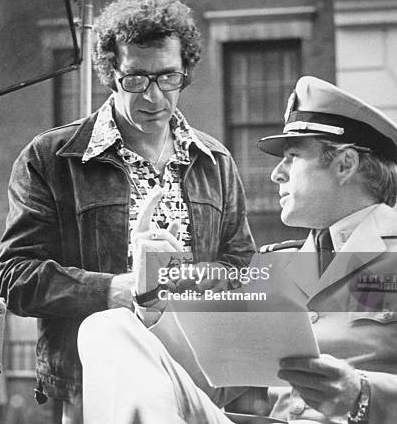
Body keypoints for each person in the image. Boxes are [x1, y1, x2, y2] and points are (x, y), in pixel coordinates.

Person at [0, 0, 255, 421]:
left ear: (184, 72)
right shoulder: (51, 157)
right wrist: (112, 290)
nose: (153, 96)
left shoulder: (215, 160)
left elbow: (241, 264)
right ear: (110, 75)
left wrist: (195, 281)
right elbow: (13, 275)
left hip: (199, 383)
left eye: (168, 77)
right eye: (135, 78)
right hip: (93, 385)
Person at [78, 75, 397, 423]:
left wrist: (361, 394)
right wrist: (152, 298)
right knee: (108, 326)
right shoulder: (279, 264)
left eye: (292, 157)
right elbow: (205, 381)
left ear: (345, 164)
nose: (277, 174)